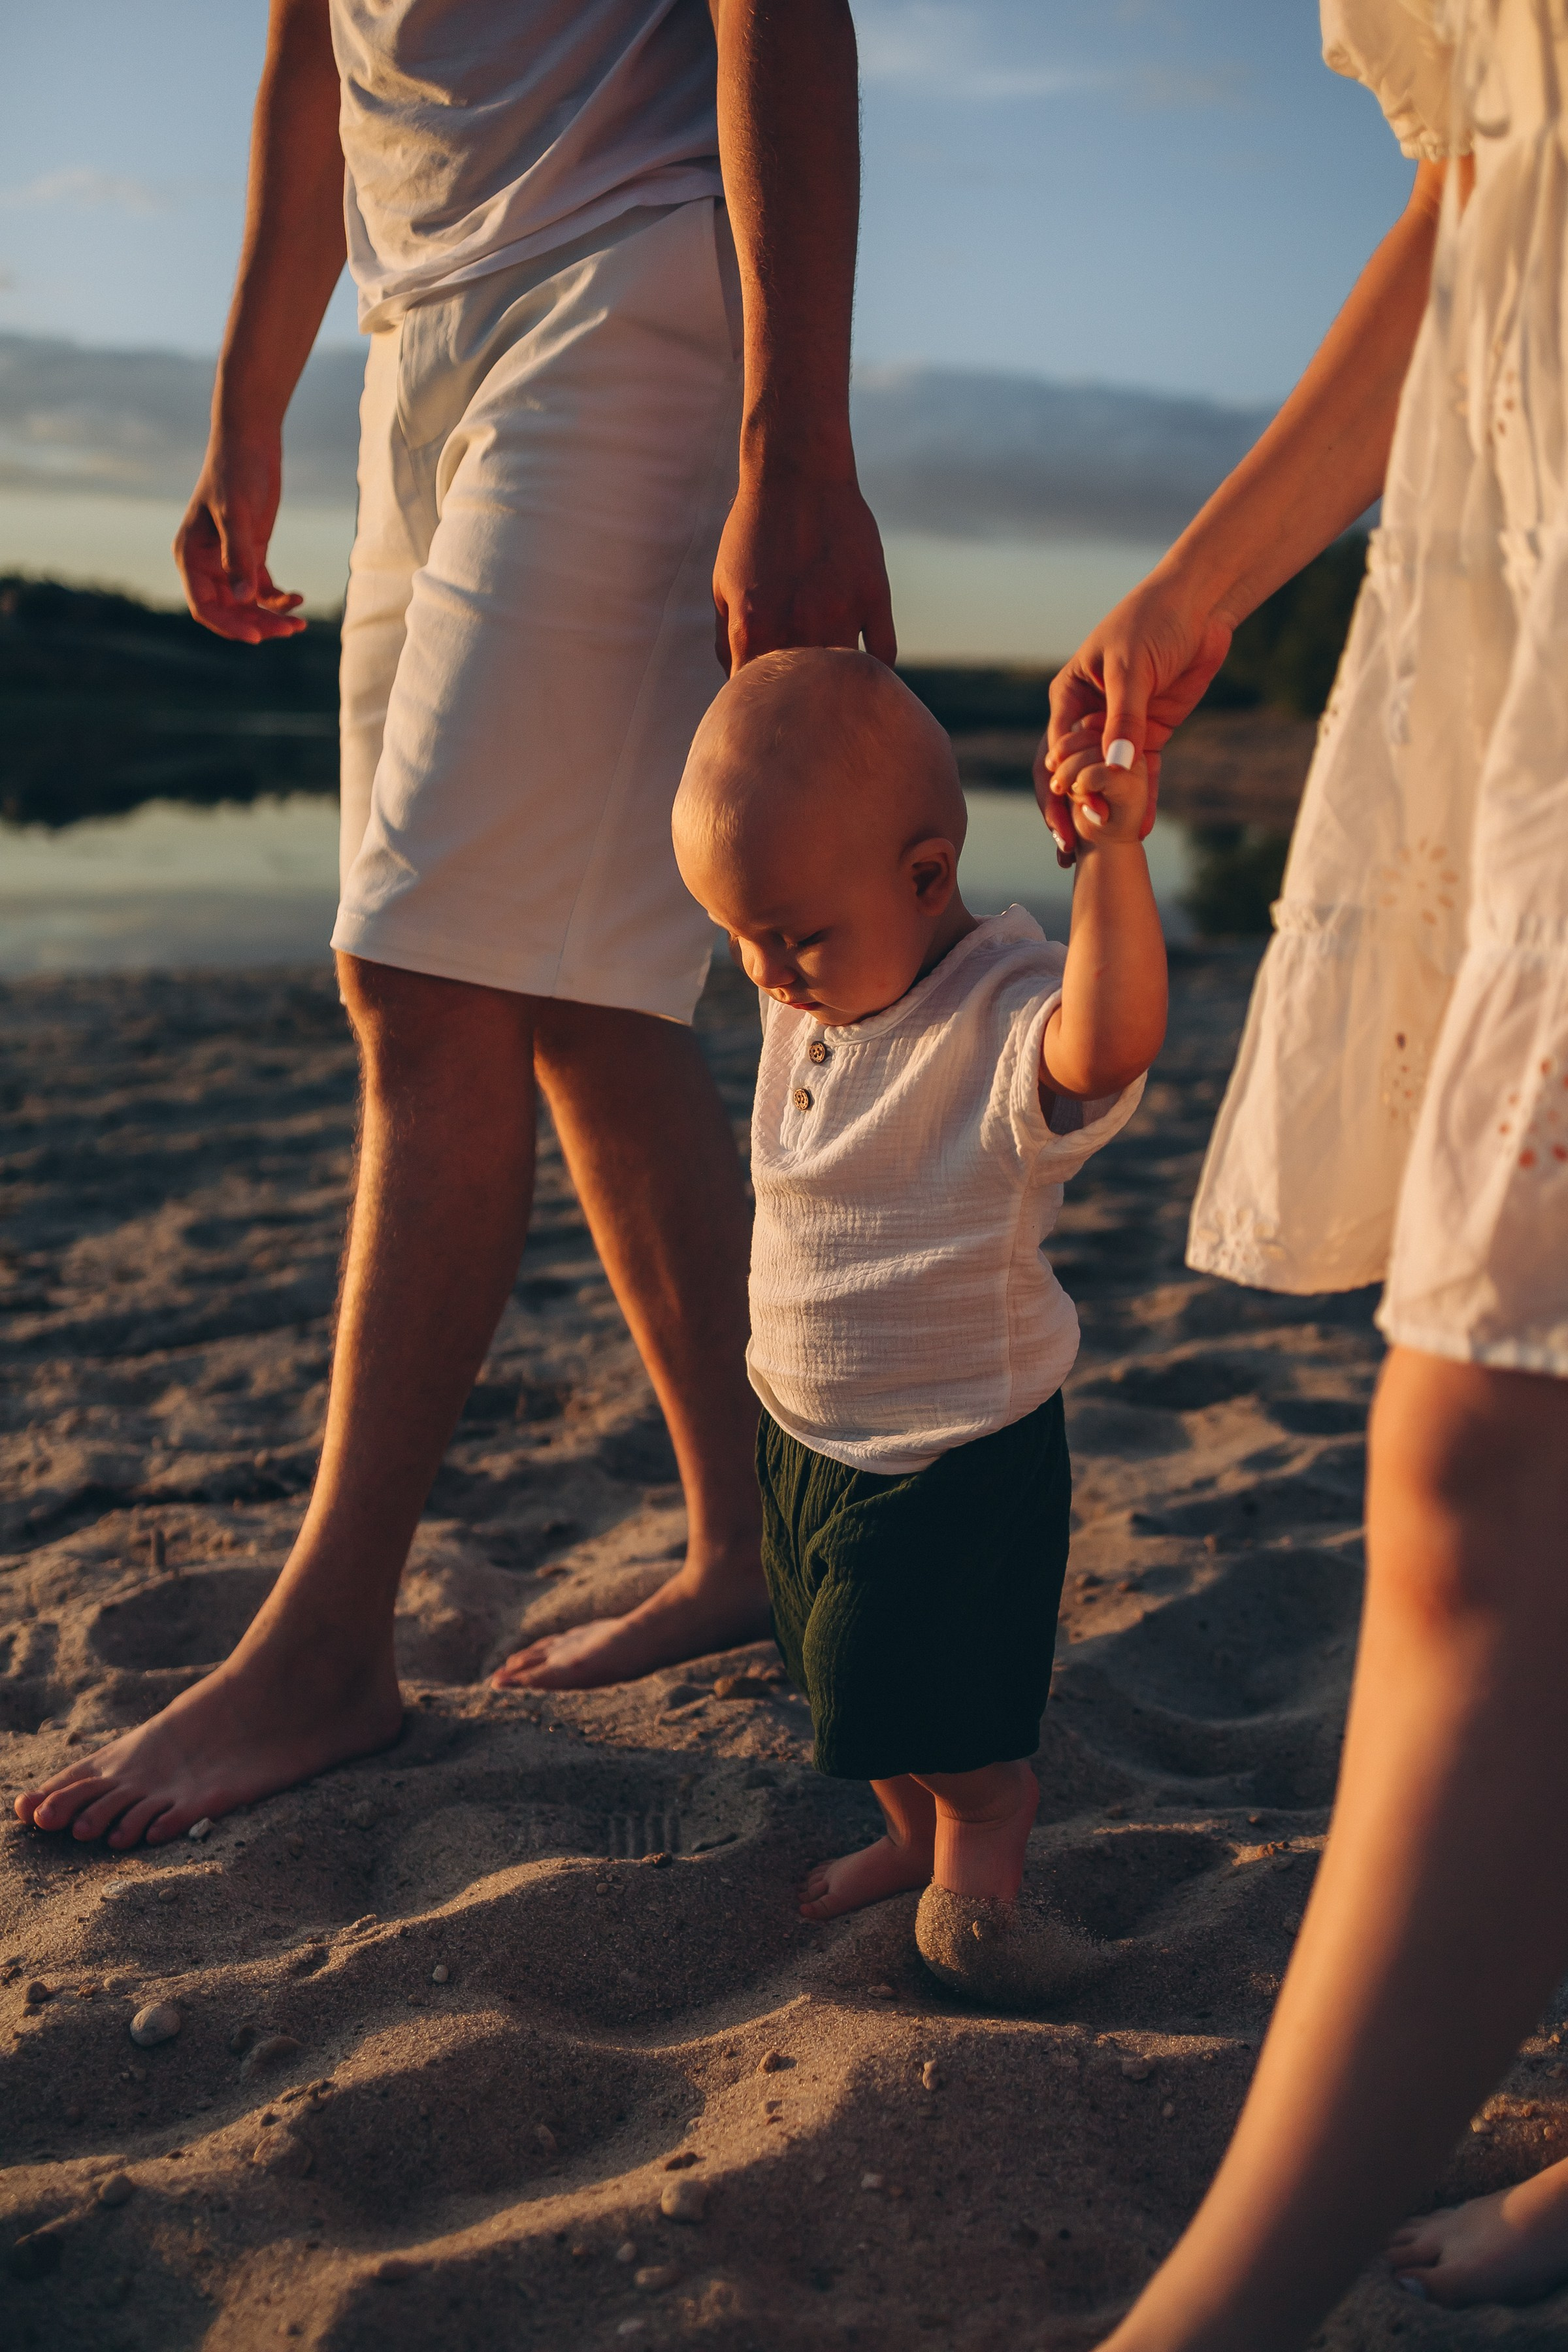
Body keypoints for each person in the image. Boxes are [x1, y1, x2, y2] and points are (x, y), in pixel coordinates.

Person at [15, 0, 894, 1852]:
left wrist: (796, 441)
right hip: (418, 337)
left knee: (419, 975)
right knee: (571, 998)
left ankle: (333, 1641)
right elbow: (303, 52)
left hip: (628, 289)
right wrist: (252, 394)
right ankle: (754, 1542)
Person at [1037, 2, 1568, 2342]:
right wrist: (1211, 565)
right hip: (1524, 530)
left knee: (1489, 1443)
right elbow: (1487, 178)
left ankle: (1215, 2321)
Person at [672, 649, 1163, 1963]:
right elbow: (809, 744)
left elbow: (1106, 1045)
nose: (767, 973)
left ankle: (984, 1847)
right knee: (835, 1674)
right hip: (799, 1419)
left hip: (948, 1446)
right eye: (740, 936)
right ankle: (905, 1831)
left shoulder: (998, 1012)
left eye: (793, 937)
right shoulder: (835, 968)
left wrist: (1113, 860)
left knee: (929, 1691)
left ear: (928, 877)